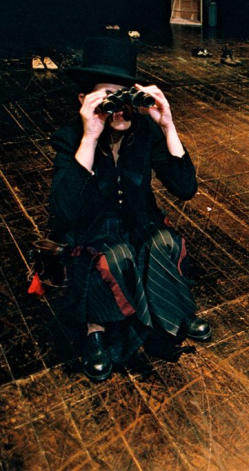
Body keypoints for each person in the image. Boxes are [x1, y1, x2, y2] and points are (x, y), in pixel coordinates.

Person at [49, 37, 211, 381]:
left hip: (138, 220)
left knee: (164, 242)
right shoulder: (70, 138)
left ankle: (174, 312)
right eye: (109, 98)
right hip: (92, 226)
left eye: (126, 97)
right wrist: (90, 137)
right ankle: (95, 331)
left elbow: (185, 188)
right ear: (84, 100)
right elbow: (64, 212)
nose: (120, 109)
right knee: (112, 254)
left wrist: (167, 125)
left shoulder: (145, 131)